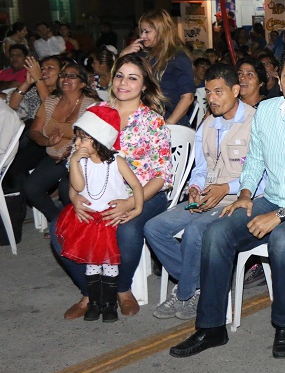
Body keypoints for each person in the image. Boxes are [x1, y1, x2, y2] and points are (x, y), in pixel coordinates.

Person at [169, 47, 285, 358]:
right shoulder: (267, 112)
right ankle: (211, 327)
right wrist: (245, 194)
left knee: (283, 240)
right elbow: (254, 159)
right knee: (216, 231)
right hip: (272, 200)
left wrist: (282, 215)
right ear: (279, 81)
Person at [53, 54, 172, 320]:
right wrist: (74, 196)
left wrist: (131, 203)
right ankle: (90, 293)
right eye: (120, 75)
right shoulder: (96, 113)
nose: (123, 83)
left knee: (126, 229)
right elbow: (76, 159)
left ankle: (122, 289)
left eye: (133, 78)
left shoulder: (151, 121)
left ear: (144, 85)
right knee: (57, 232)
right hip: (93, 192)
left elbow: (162, 174)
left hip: (144, 193)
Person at [144, 64, 258, 320]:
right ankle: (195, 284)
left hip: (240, 201)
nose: (212, 98)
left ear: (236, 90)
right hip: (207, 197)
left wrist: (227, 188)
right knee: (154, 228)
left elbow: (266, 178)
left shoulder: (257, 122)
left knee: (196, 231)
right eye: (208, 92)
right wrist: (195, 187)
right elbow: (201, 167)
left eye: (219, 92)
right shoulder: (207, 124)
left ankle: (184, 293)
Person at [57, 106, 144, 323]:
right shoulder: (81, 163)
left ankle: (110, 304)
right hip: (88, 219)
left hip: (107, 219)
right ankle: (95, 303)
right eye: (77, 138)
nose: (77, 143)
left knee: (109, 264)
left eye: (83, 139)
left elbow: (136, 186)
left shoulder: (117, 162)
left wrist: (138, 208)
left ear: (99, 140)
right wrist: (75, 162)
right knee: (92, 264)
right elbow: (77, 187)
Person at [21, 63, 98, 225]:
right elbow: (34, 131)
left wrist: (73, 150)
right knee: (31, 188)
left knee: (66, 188)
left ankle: (76, 226)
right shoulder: (50, 102)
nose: (66, 79)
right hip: (55, 156)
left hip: (82, 159)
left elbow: (95, 139)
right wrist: (47, 141)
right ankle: (60, 222)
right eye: (63, 75)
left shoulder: (91, 106)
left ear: (83, 83)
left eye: (72, 76)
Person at [120, 9, 195, 126]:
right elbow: (119, 82)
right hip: (142, 121)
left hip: (170, 122)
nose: (142, 36)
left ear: (161, 32)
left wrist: (168, 125)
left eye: (147, 32)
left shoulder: (178, 58)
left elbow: (187, 97)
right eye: (141, 31)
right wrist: (124, 55)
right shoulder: (142, 55)